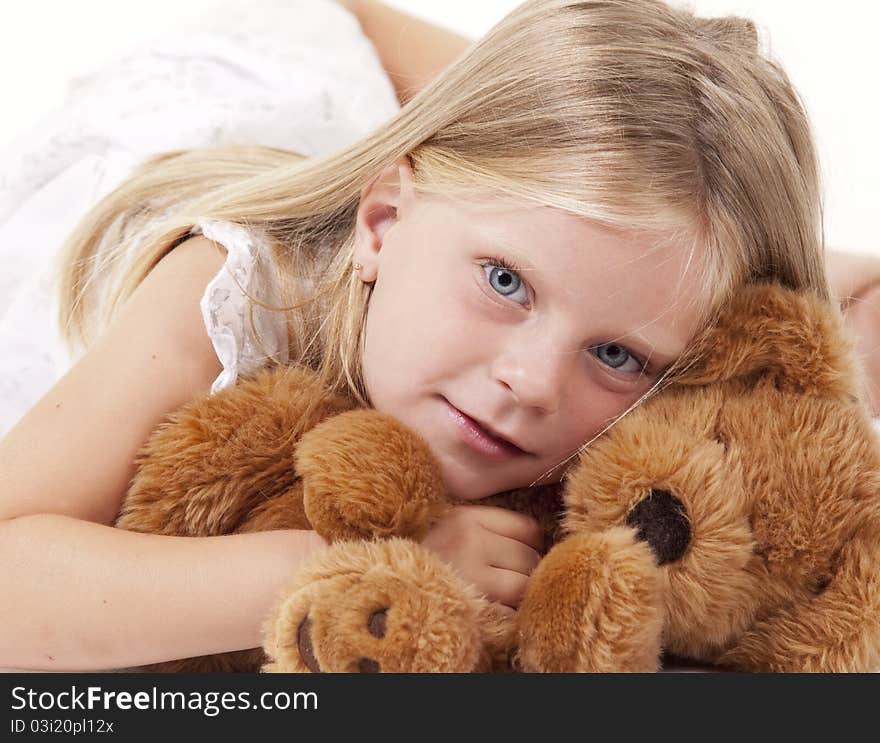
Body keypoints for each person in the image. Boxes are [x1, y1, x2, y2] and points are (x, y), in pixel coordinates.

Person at [0, 0, 873, 671]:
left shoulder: (642, 358)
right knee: (325, 29)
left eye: (616, 353)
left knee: (630, 159)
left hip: (423, 171)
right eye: (505, 283)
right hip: (216, 91)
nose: (532, 382)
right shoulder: (229, 290)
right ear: (381, 223)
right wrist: (357, 561)